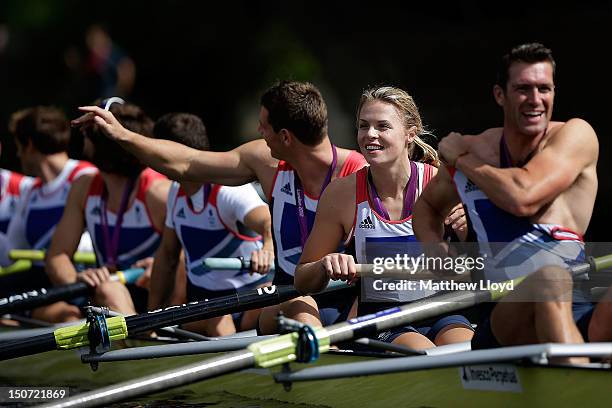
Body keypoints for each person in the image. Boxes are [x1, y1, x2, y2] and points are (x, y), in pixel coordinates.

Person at [71, 80, 367, 333]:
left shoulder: (359, 174)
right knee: (299, 306)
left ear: (286, 137)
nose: (258, 131)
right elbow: (187, 163)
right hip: (287, 300)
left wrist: (355, 322)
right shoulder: (266, 163)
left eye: (264, 126)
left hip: (350, 301)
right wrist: (123, 135)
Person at [412, 43, 598, 364]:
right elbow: (426, 209)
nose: (535, 100)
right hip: (504, 321)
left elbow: (522, 196)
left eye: (544, 89)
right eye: (523, 89)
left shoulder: (575, 135)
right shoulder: (478, 146)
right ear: (500, 95)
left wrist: (463, 162)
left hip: (577, 304)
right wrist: (440, 256)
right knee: (549, 278)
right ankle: (578, 380)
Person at [294, 86, 473, 348]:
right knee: (425, 354)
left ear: (410, 133)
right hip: (383, 318)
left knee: (464, 350)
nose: (370, 135)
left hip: (442, 311)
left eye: (382, 126)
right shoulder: (341, 195)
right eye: (364, 126)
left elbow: (486, 263)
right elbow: (302, 279)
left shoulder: (440, 183)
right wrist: (324, 265)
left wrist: (468, 231)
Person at [148, 113, 274, 336]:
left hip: (250, 302)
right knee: (217, 317)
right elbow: (167, 256)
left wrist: (267, 248)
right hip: (206, 307)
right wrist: (151, 320)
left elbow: (268, 221)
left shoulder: (226, 190)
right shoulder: (176, 193)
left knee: (280, 302)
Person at [46, 100, 171, 317]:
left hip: (157, 296)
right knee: (101, 293)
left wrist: (163, 266)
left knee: (109, 290)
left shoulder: (158, 193)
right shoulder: (84, 187)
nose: (83, 142)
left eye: (87, 136)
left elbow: (193, 257)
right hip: (107, 294)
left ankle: (141, 345)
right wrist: (77, 279)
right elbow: (57, 256)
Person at [1, 106, 97, 322]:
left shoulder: (85, 177)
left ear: (30, 145)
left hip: (81, 276)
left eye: (18, 146)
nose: (17, 155)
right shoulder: (31, 191)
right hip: (43, 280)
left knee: (64, 314)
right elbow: (10, 254)